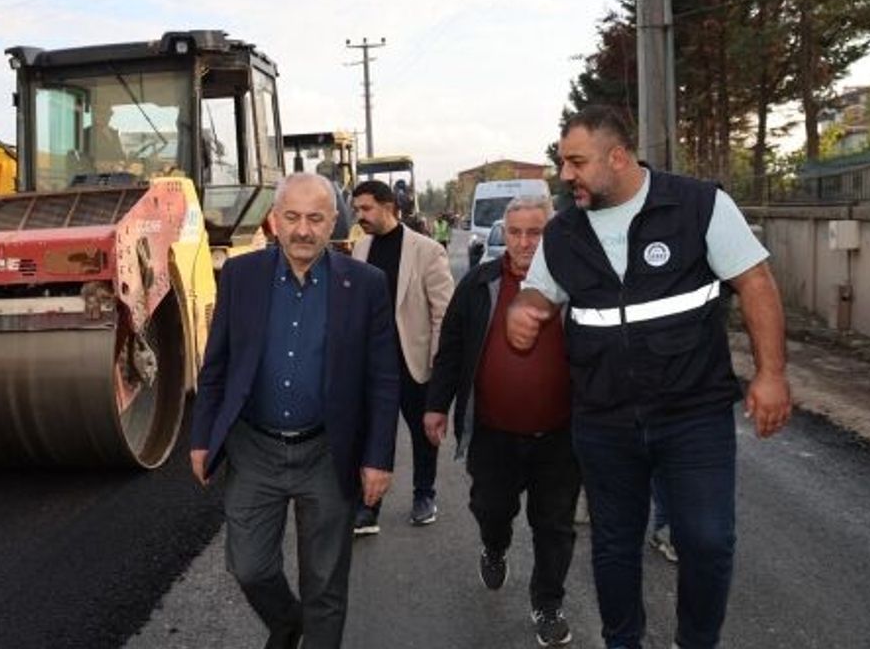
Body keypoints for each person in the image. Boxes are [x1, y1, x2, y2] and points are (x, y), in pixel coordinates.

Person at [506, 105, 792, 649]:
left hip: (693, 416)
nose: (565, 174)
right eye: (562, 161)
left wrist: (771, 374)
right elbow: (540, 289)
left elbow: (755, 282)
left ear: (617, 157)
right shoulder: (564, 232)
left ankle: (697, 641)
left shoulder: (698, 206)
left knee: (707, 541)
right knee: (614, 545)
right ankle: (623, 641)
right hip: (603, 421)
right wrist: (529, 306)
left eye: (576, 162)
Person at [190, 172, 401, 649]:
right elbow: (217, 364)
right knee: (248, 565)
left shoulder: (365, 285)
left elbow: (383, 379)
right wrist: (202, 436)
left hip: (328, 453)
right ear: (273, 221)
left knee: (325, 584)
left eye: (314, 218)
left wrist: (378, 457)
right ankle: (287, 624)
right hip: (254, 450)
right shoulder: (242, 277)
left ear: (332, 224)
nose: (303, 230)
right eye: (292, 217)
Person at [423, 194, 582, 647]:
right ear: (504, 234)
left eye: (536, 232)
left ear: (551, 233)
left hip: (560, 437)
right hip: (493, 435)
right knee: (492, 509)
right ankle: (495, 545)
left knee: (555, 525)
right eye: (516, 232)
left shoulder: (577, 286)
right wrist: (436, 405)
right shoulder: (478, 285)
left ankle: (548, 603)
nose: (525, 242)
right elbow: (451, 348)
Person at [350, 180, 454, 533]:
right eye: (357, 209)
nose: (359, 215)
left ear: (388, 206)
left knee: (424, 434)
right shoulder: (360, 249)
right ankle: (369, 507)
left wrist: (439, 364)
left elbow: (444, 313)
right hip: (372, 365)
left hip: (414, 361)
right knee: (372, 435)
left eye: (365, 208)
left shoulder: (425, 250)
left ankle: (424, 495)